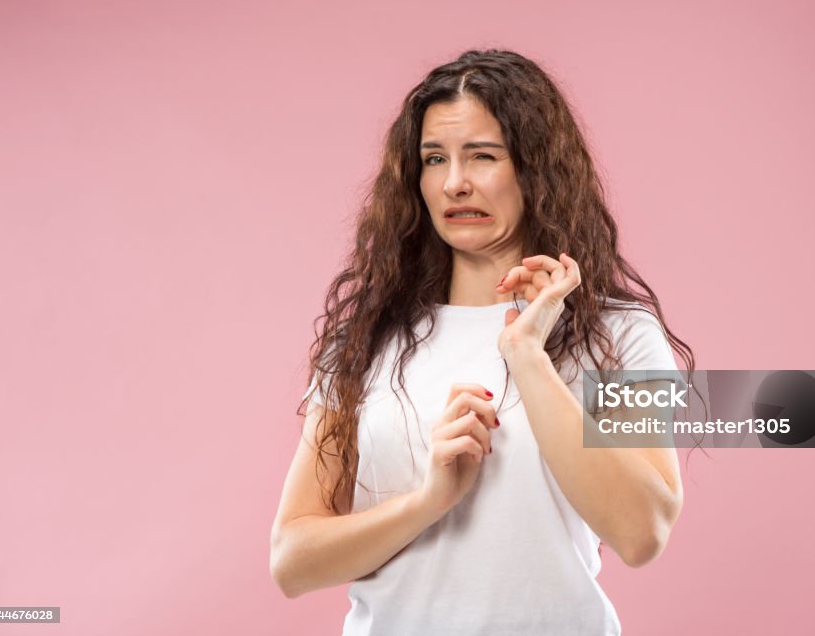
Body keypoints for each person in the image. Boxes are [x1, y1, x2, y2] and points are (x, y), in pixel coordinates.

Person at [270, 48, 694, 635]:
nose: (455, 182)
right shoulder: (364, 342)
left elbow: (643, 531)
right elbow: (292, 560)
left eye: (483, 156)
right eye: (435, 158)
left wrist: (526, 356)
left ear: (535, 168)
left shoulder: (621, 335)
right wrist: (429, 501)